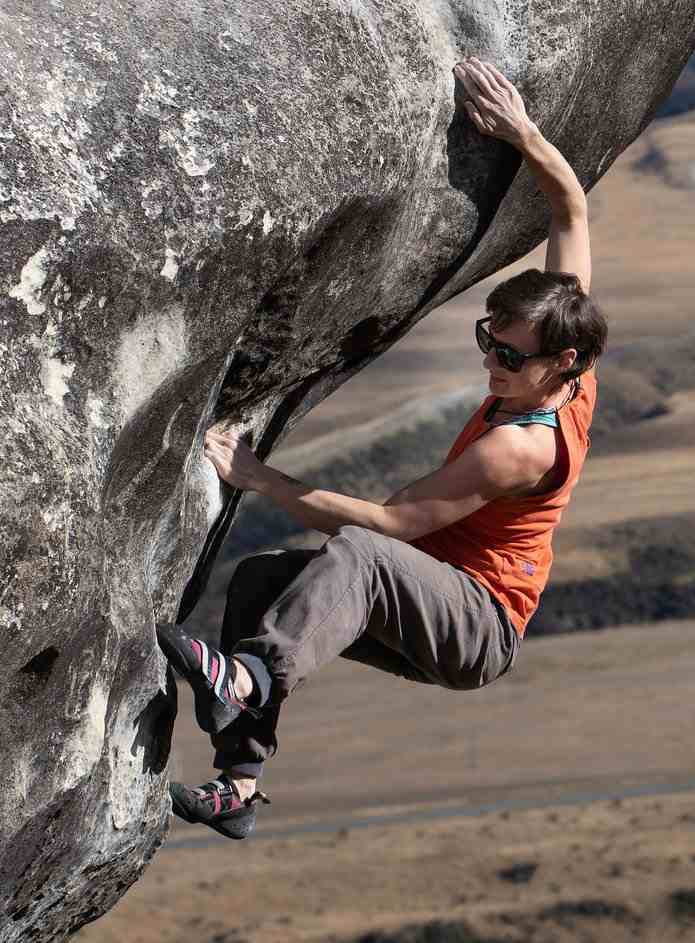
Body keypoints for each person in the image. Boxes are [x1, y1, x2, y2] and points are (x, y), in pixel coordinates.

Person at [158, 56, 607, 839]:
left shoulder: (522, 449)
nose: (489, 364)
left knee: (359, 550)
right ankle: (238, 781)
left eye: (508, 356)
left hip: (475, 624)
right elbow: (569, 211)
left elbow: (390, 526)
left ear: (560, 361)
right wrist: (520, 129)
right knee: (266, 578)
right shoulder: (567, 346)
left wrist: (258, 475)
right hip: (436, 592)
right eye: (486, 342)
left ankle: (254, 676)